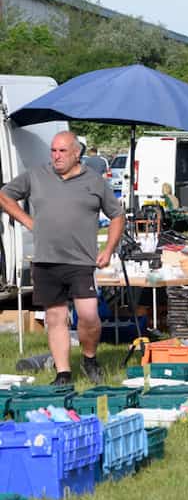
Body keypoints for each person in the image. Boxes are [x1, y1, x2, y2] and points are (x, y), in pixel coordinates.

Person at [0, 131, 124, 385]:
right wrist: (27, 221)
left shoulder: (95, 181)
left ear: (77, 154)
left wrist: (109, 248)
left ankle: (89, 358)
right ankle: (63, 373)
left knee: (88, 315)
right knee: (55, 317)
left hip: (81, 260)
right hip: (46, 259)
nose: (56, 156)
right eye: (53, 151)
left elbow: (117, 215)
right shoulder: (36, 175)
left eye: (62, 151)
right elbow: (5, 195)